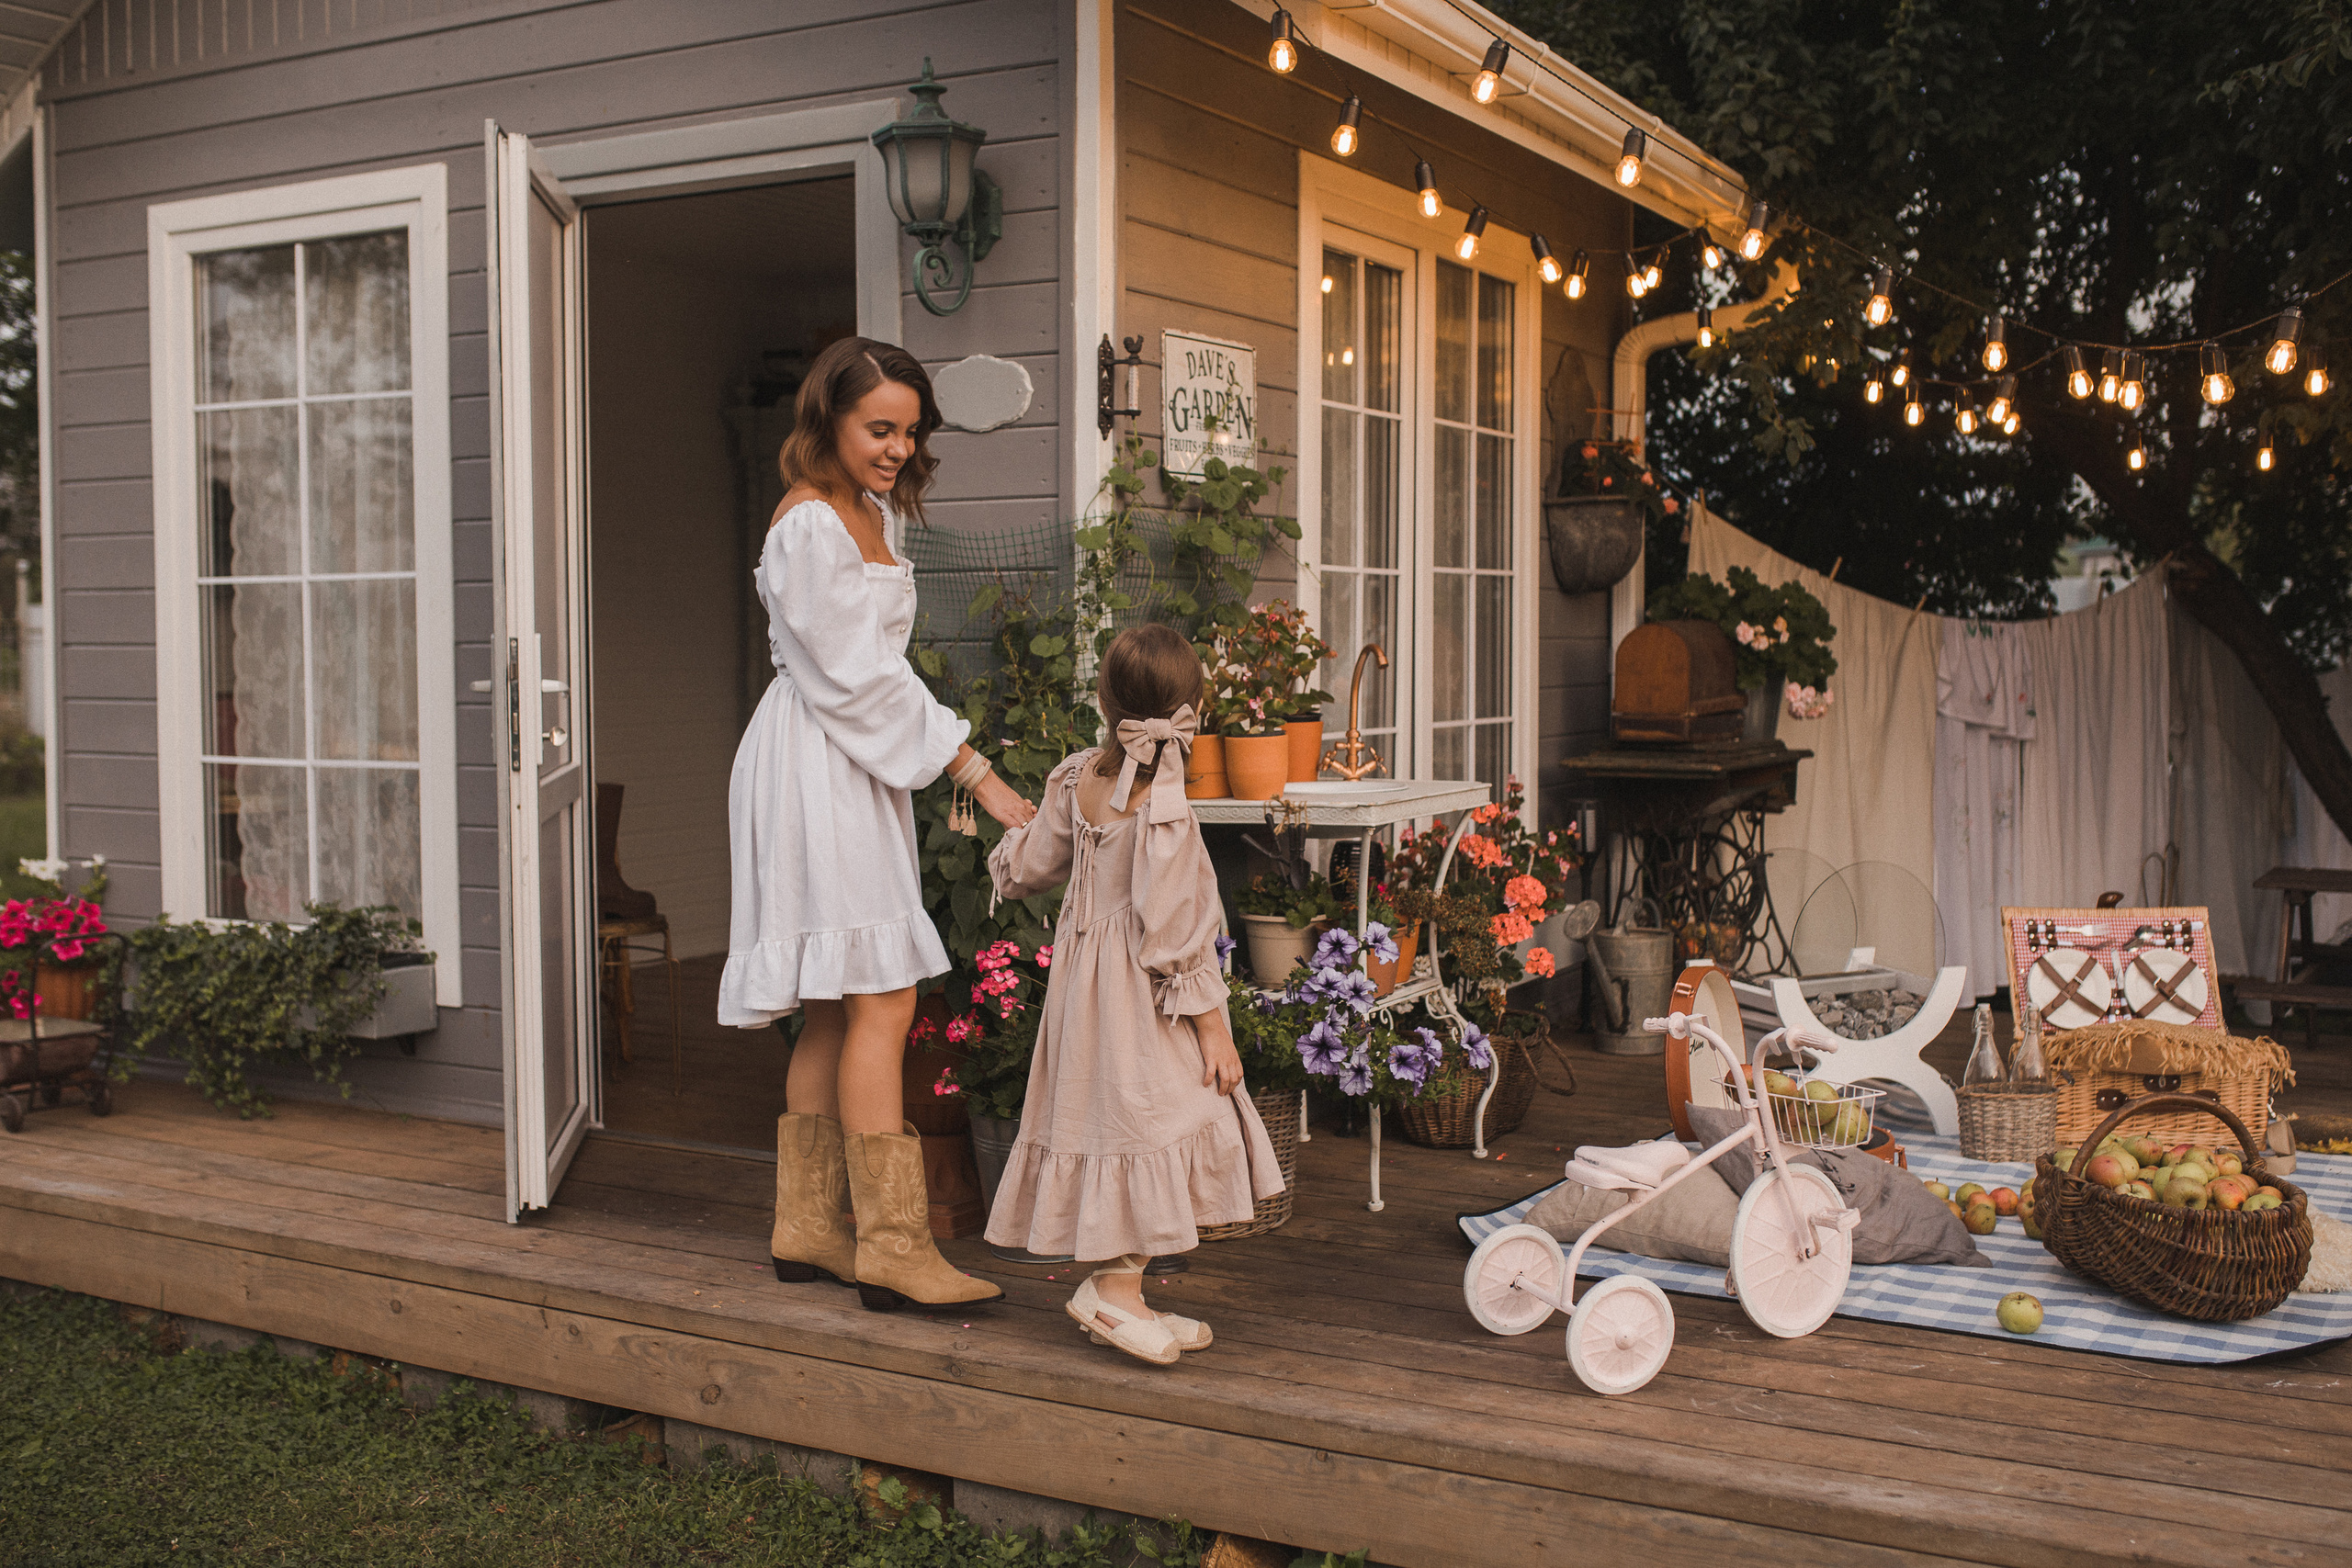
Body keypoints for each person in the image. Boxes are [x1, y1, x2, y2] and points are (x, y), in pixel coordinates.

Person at [721, 335, 1034, 1314]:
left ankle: (808, 1226)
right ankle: (893, 1246)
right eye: (879, 429)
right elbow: (856, 680)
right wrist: (973, 770)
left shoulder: (870, 513)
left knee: (836, 999)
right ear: (829, 422)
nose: (897, 448)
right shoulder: (809, 527)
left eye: (909, 431)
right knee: (885, 999)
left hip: (846, 761)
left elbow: (874, 677)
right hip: (815, 761)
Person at [985, 625, 1285, 1365]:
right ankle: (1111, 1292)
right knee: (1166, 1112)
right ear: (1194, 710)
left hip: (1084, 985)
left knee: (1120, 1120)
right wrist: (1213, 1026)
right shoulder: (1166, 808)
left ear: (1104, 700)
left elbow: (1033, 864)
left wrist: (1011, 846)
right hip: (1147, 992)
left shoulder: (1080, 776)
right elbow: (1176, 927)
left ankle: (1127, 1288)